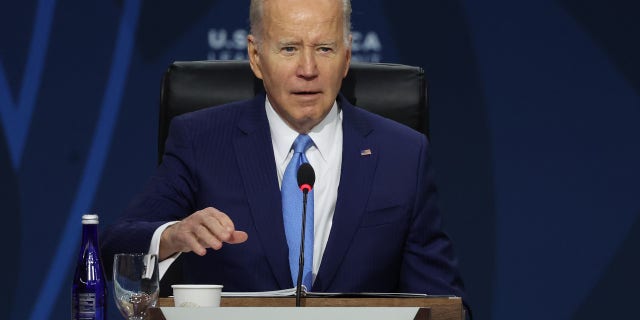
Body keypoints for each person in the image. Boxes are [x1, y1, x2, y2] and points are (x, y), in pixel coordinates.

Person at [102, 0, 467, 304]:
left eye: (324, 48)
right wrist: (173, 235)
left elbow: (444, 303)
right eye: (289, 48)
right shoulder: (200, 140)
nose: (307, 69)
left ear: (347, 56)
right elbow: (114, 248)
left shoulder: (403, 154)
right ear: (256, 56)